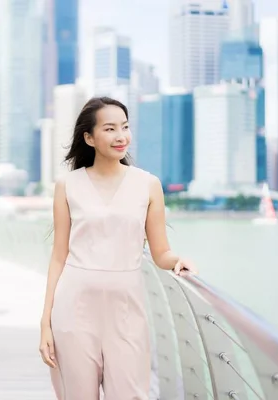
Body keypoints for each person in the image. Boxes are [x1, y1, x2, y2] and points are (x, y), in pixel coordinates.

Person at [39, 97, 197, 400]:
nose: (121, 136)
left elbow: (161, 251)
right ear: (89, 138)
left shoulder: (148, 185)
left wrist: (178, 259)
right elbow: (59, 256)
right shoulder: (67, 185)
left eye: (125, 127)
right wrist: (45, 323)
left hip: (126, 310)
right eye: (110, 129)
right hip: (74, 309)